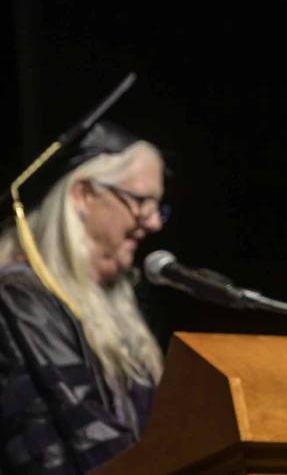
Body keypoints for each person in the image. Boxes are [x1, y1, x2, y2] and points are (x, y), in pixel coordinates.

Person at [0, 120, 168, 474]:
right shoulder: (20, 299)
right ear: (83, 195)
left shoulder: (111, 308)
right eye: (142, 202)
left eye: (158, 207)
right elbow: (84, 440)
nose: (154, 223)